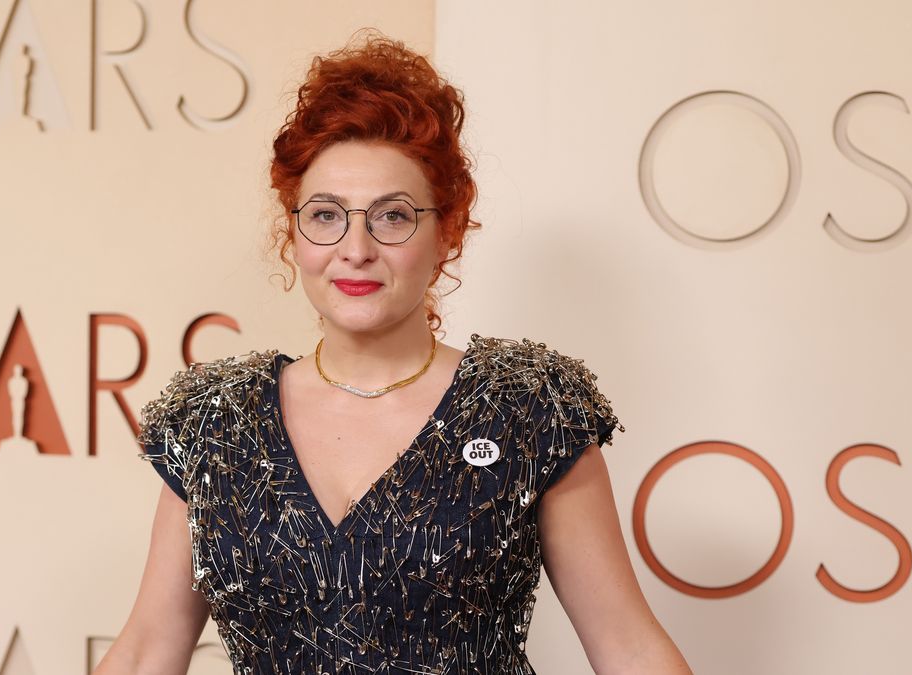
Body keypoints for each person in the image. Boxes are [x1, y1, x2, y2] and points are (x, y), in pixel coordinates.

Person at [96, 30, 692, 675]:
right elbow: (147, 650)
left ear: (448, 231)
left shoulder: (527, 411)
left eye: (392, 215)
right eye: (325, 215)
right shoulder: (215, 422)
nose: (356, 248)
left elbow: (629, 649)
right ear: (292, 233)